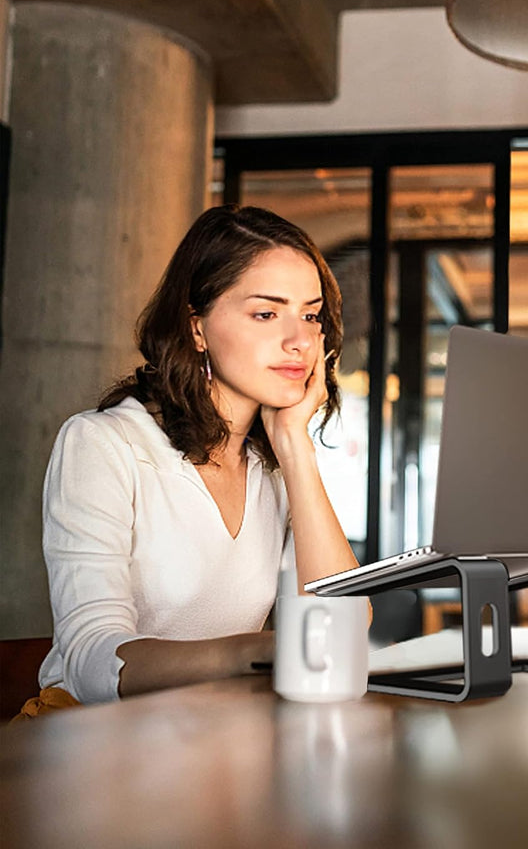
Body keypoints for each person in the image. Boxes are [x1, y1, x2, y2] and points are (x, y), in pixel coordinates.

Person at [34, 204, 361, 706]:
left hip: (217, 734)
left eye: (310, 315)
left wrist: (296, 446)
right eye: (267, 313)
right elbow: (91, 661)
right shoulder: (104, 444)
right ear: (197, 327)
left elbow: (345, 625)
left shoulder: (273, 468)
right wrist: (250, 653)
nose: (299, 341)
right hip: (96, 740)